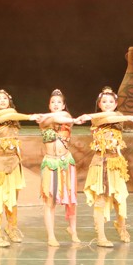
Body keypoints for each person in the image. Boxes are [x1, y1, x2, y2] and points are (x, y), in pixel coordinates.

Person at [75, 87, 133, 247]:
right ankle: (101, 236)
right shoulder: (96, 120)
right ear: (99, 104)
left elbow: (113, 116)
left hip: (115, 163)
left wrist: (128, 116)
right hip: (100, 163)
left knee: (120, 198)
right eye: (104, 101)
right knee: (101, 199)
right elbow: (104, 118)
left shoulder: (118, 117)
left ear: (116, 103)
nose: (107, 104)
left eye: (111, 101)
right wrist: (90, 116)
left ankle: (121, 226)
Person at [0, 89, 38, 247]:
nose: (3, 101)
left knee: (12, 198)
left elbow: (11, 114)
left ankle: (11, 228)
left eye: (5, 98)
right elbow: (6, 115)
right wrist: (29, 117)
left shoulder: (12, 116)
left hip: (13, 163)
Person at [36, 89, 80, 247]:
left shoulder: (66, 117)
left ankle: (73, 230)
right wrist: (46, 117)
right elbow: (48, 121)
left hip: (65, 162)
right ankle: (51, 236)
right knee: (50, 201)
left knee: (71, 199)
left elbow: (62, 118)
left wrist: (48, 116)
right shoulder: (44, 122)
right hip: (50, 164)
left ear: (63, 105)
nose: (55, 104)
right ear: (49, 105)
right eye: (53, 102)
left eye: (59, 102)